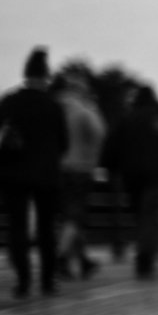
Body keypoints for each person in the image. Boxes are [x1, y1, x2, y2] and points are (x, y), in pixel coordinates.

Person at [0, 47, 69, 298]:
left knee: (17, 228)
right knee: (46, 228)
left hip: (13, 175)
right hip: (47, 176)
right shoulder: (53, 106)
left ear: (25, 75)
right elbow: (64, 144)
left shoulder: (9, 102)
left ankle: (23, 281)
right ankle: (48, 281)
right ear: (45, 77)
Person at [104, 85, 158, 278]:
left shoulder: (128, 117)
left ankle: (143, 251)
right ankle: (145, 256)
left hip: (131, 177)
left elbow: (111, 145)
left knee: (139, 216)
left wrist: (111, 170)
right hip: (155, 176)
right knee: (150, 216)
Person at [51, 73, 105, 280]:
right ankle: (61, 257)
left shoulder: (54, 106)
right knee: (75, 216)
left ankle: (82, 260)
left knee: (66, 217)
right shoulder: (84, 109)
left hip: (56, 168)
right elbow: (99, 132)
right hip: (80, 168)